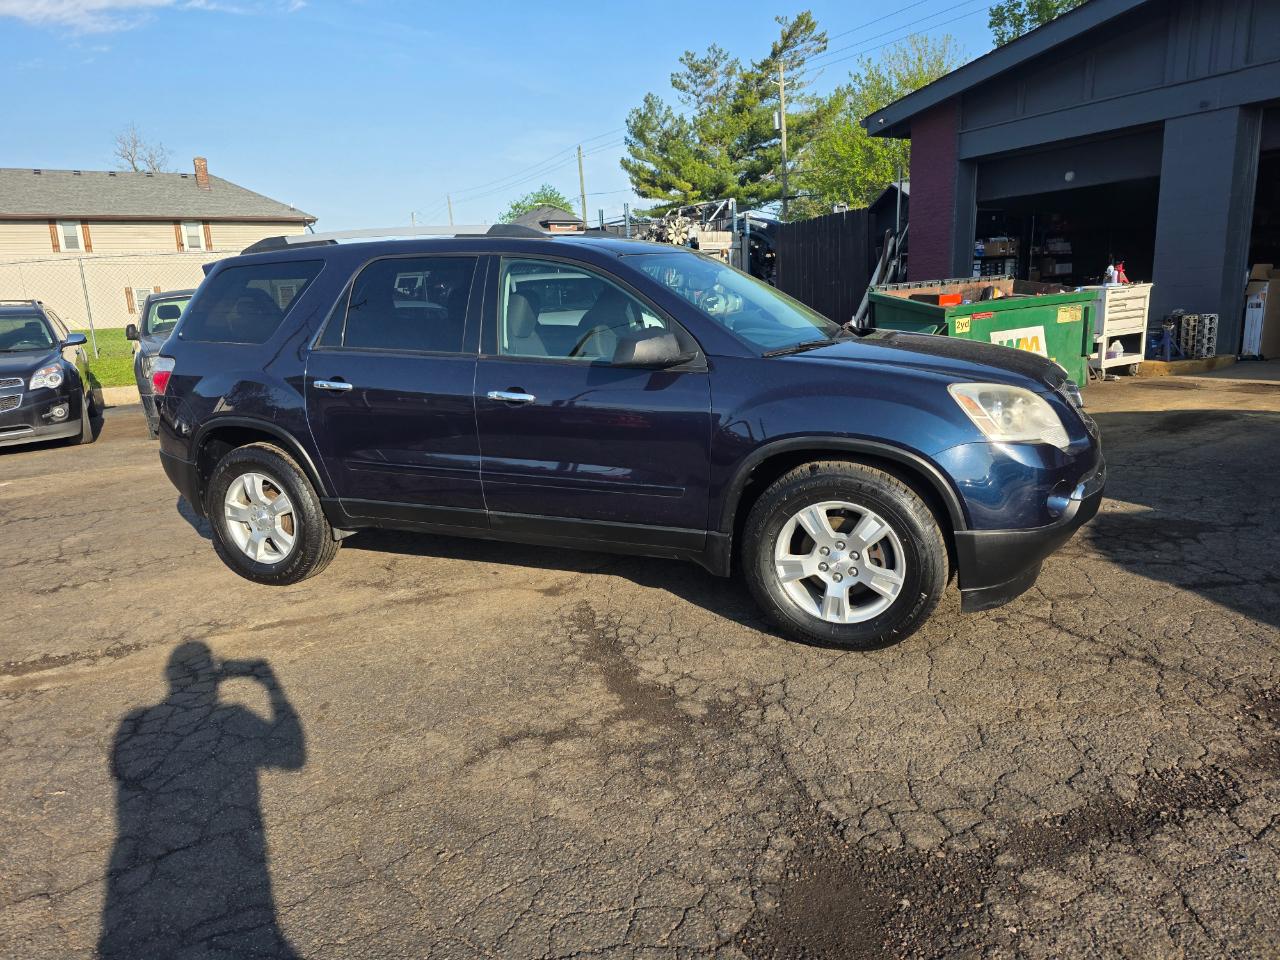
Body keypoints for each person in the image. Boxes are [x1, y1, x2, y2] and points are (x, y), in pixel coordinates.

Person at [99, 641, 305, 958]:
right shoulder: (234, 715)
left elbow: (123, 771)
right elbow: (293, 757)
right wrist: (268, 681)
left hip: (138, 875)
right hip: (236, 874)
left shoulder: (134, 721)